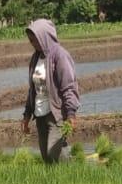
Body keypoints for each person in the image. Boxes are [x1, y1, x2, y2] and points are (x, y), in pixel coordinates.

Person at [20, 19, 80, 164]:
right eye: (30, 40)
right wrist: (27, 115)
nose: (32, 43)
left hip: (56, 113)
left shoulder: (59, 55)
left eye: (35, 40)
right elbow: (32, 89)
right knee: (46, 157)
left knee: (54, 153)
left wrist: (71, 113)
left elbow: (68, 87)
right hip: (40, 113)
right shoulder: (35, 57)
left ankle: (73, 178)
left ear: (44, 36)